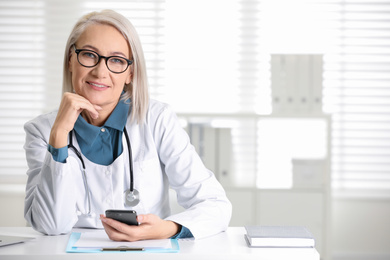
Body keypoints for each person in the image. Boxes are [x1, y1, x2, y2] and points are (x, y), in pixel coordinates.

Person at [23, 9, 232, 241]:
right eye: (90, 55)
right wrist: (60, 135)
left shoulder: (156, 119)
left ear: (130, 73)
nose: (100, 71)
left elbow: (215, 205)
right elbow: (50, 225)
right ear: (71, 60)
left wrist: (166, 229)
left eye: (116, 60)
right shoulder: (42, 131)